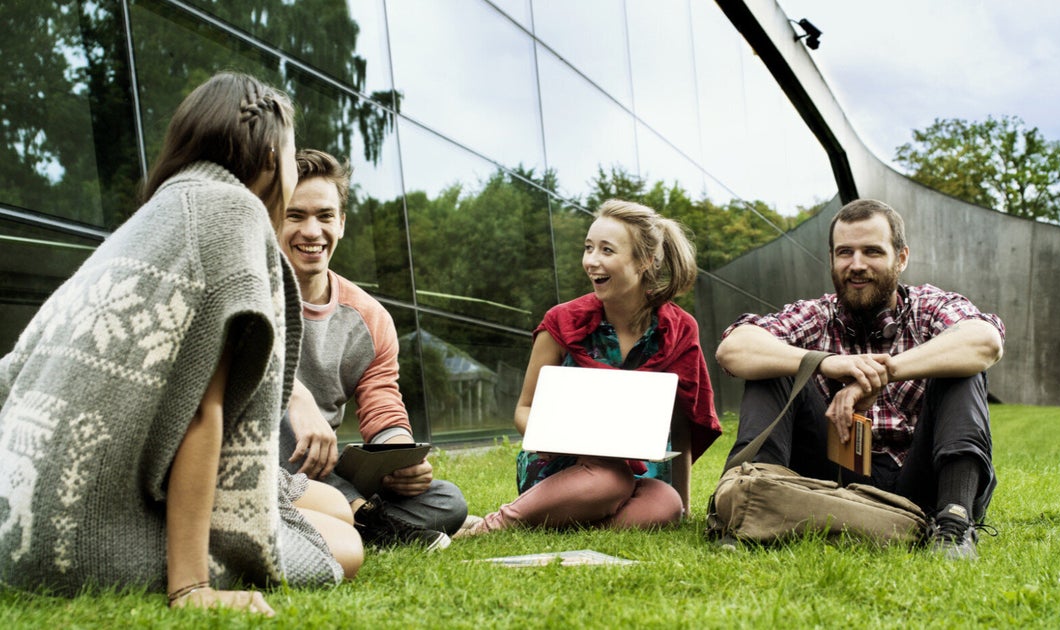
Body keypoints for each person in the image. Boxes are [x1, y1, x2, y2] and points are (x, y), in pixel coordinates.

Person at [0, 72, 363, 615]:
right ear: (270, 154)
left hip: (17, 505)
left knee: (338, 503)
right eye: (290, 155)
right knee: (346, 547)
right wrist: (192, 587)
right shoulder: (232, 212)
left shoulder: (155, 216)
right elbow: (200, 410)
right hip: (77, 526)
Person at [715, 199, 1005, 560]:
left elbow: (985, 342)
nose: (857, 265)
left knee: (961, 366)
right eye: (845, 252)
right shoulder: (816, 314)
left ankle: (954, 525)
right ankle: (747, 507)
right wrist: (827, 363)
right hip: (836, 477)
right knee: (773, 363)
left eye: (872, 251)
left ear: (901, 258)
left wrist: (881, 374)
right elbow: (735, 348)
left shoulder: (929, 308)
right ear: (832, 259)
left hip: (921, 478)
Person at [457, 199, 722, 537]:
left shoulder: (680, 329)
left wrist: (684, 506)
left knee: (664, 503)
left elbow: (684, 421)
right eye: (588, 248)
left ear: (645, 261)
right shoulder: (562, 321)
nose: (591, 261)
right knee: (608, 478)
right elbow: (524, 408)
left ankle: (553, 522)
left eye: (606, 250)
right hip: (561, 465)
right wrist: (556, 438)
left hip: (636, 475)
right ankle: (492, 526)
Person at [277, 148, 468, 551]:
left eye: (325, 216)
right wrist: (297, 396)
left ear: (341, 224)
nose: (312, 231)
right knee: (276, 418)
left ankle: (349, 514)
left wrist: (400, 458)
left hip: (320, 470)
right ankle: (362, 517)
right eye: (295, 215)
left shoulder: (369, 317)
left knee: (447, 501)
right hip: (265, 461)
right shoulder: (244, 291)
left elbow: (381, 402)